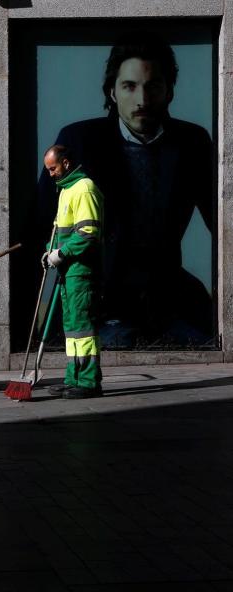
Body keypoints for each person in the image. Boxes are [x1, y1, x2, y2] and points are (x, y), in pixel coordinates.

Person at [38, 33, 215, 347]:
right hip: (99, 299)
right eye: (130, 86)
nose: (142, 100)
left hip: (168, 298)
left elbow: (222, 223)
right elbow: (38, 222)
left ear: (170, 91)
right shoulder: (79, 141)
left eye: (153, 86)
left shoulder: (192, 143)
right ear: (113, 91)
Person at [40, 145, 104, 399]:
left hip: (82, 271)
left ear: (66, 163)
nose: (51, 174)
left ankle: (88, 382)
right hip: (69, 271)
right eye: (47, 170)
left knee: (83, 328)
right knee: (73, 329)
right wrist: (50, 251)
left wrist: (61, 254)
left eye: (53, 168)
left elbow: (88, 233)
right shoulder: (67, 190)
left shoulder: (84, 188)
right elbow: (61, 232)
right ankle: (73, 377)